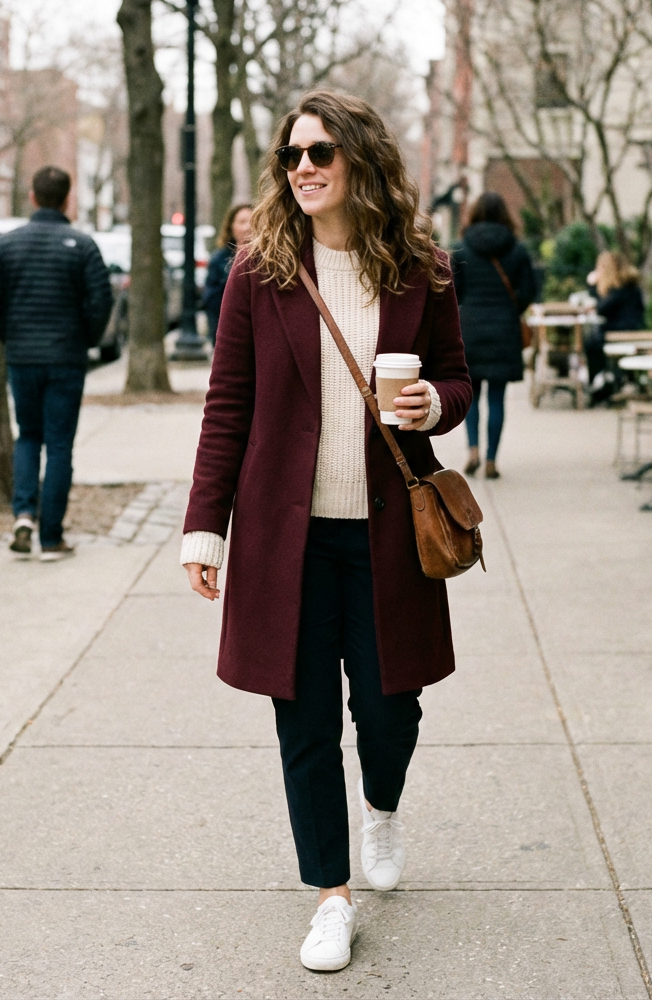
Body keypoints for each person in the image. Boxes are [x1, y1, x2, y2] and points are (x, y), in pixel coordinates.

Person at [180, 89, 471, 972]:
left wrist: (433, 405)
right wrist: (205, 528)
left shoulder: (421, 266)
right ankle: (330, 897)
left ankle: (381, 805)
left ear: (359, 159)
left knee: (389, 711)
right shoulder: (259, 271)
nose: (302, 167)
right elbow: (226, 406)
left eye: (320, 152)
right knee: (303, 723)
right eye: (291, 155)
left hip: (389, 538)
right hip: (288, 542)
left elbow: (459, 378)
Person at [0, 166, 112, 559]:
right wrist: (84, 339)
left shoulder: (6, 246)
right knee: (58, 444)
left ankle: (23, 514)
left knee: (28, 435)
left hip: (22, 358)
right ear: (67, 199)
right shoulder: (83, 246)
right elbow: (101, 302)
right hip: (66, 359)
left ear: (33, 197)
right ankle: (51, 536)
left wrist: (12, 335)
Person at [452, 192, 536, 480]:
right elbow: (529, 291)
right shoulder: (517, 250)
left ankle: (473, 450)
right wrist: (512, 308)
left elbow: (453, 292)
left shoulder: (462, 249)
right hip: (504, 330)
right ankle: (491, 460)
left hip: (470, 330)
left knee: (471, 395)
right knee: (497, 398)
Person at [585, 250, 645, 402]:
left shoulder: (619, 289)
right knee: (593, 341)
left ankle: (600, 384)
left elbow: (602, 309)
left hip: (621, 333)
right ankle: (609, 381)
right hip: (633, 330)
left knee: (591, 344)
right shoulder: (631, 286)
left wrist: (592, 286)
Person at [202, 202, 253, 345]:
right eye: (242, 222)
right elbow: (210, 299)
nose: (248, 227)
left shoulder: (269, 258)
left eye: (253, 221)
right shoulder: (219, 260)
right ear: (231, 227)